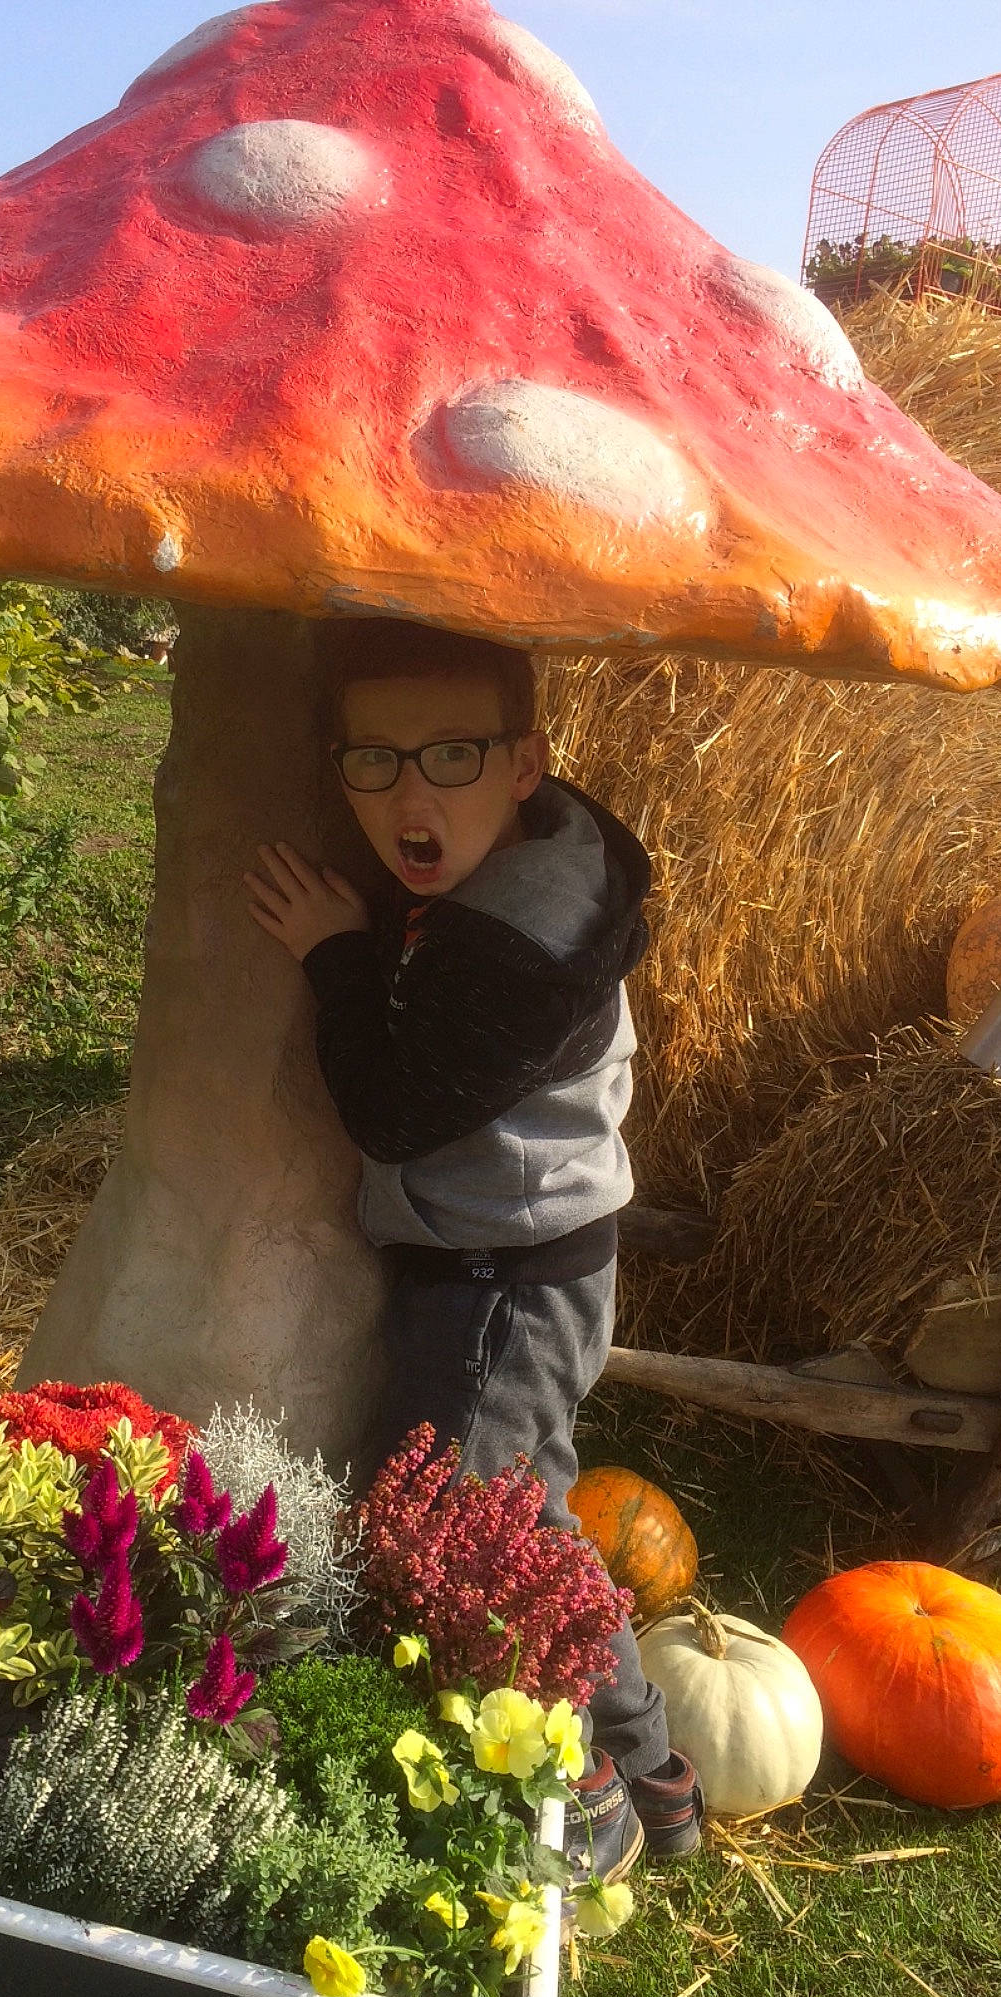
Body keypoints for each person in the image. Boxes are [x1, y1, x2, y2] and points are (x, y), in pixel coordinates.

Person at [242, 618, 702, 1879]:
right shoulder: (527, 850)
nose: (408, 794)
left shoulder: (522, 941)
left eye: (449, 753)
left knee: (482, 1525)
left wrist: (338, 956)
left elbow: (391, 1105)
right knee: (507, 1509)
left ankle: (613, 1788)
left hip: (507, 1276)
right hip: (520, 1249)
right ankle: (641, 1765)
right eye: (373, 761)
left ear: (525, 760)